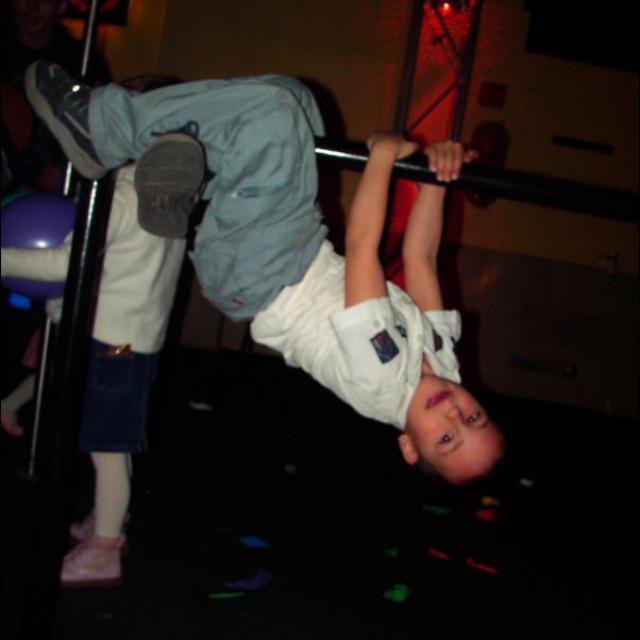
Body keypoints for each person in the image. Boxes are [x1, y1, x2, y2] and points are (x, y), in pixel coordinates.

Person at [24, 60, 505, 487]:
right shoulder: (444, 364)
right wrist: (437, 178)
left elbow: (363, 249)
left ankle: (99, 129)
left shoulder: (381, 380)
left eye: (445, 438)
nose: (453, 413)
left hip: (259, 273)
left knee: (274, 114)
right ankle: (185, 188)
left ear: (409, 447)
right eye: (474, 417)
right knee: (295, 102)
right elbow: (421, 257)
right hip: (292, 249)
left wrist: (381, 157)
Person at [1, 163, 187, 587]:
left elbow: (67, 263)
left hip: (112, 336)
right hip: (132, 334)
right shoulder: (167, 190)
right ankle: (107, 518)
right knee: (110, 439)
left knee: (107, 447)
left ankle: (105, 548)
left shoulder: (121, 196)